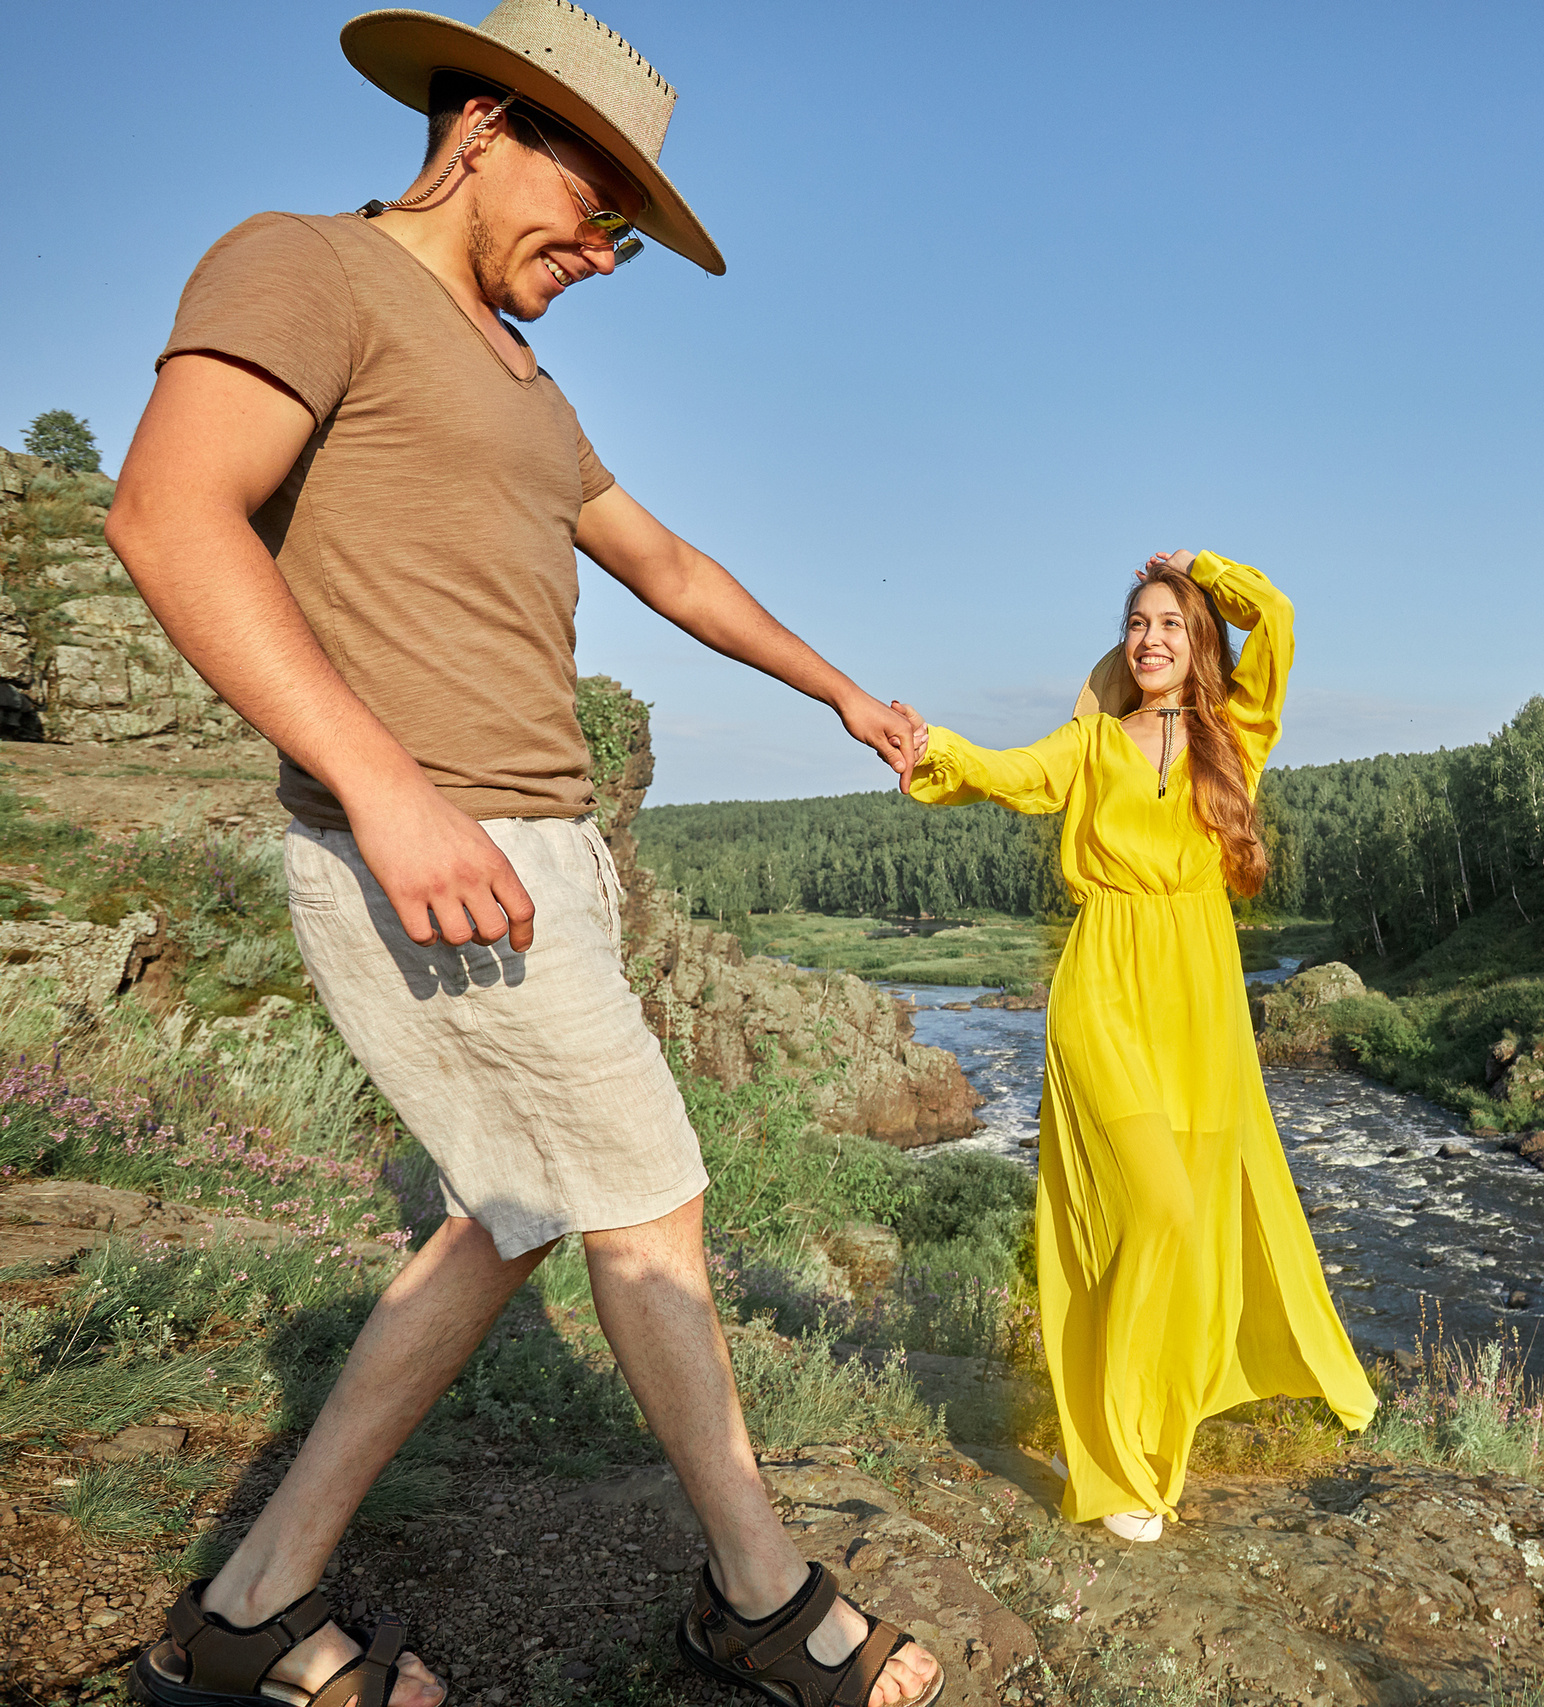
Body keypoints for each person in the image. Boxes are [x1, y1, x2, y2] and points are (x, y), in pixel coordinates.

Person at [105, 6, 940, 1705]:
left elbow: (673, 566)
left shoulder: (526, 388)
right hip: (428, 849)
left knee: (513, 1216)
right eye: (596, 202)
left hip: (541, 857)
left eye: (632, 228)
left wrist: (845, 689)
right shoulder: (302, 269)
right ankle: (761, 1603)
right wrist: (388, 790)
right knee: (651, 1202)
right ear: (483, 123)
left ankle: (251, 1610)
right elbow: (166, 514)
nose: (608, 250)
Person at [903, 550, 1376, 1540]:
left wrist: (1198, 568)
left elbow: (1277, 615)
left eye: (1170, 623)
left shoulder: (1234, 736)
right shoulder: (1091, 742)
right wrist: (929, 746)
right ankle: (1112, 1459)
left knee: (1190, 1225)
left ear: (1197, 639)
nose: (1151, 639)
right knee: (1153, 1202)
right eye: (1138, 624)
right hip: (1106, 987)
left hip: (1199, 1002)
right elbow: (1010, 773)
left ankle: (1154, 1442)